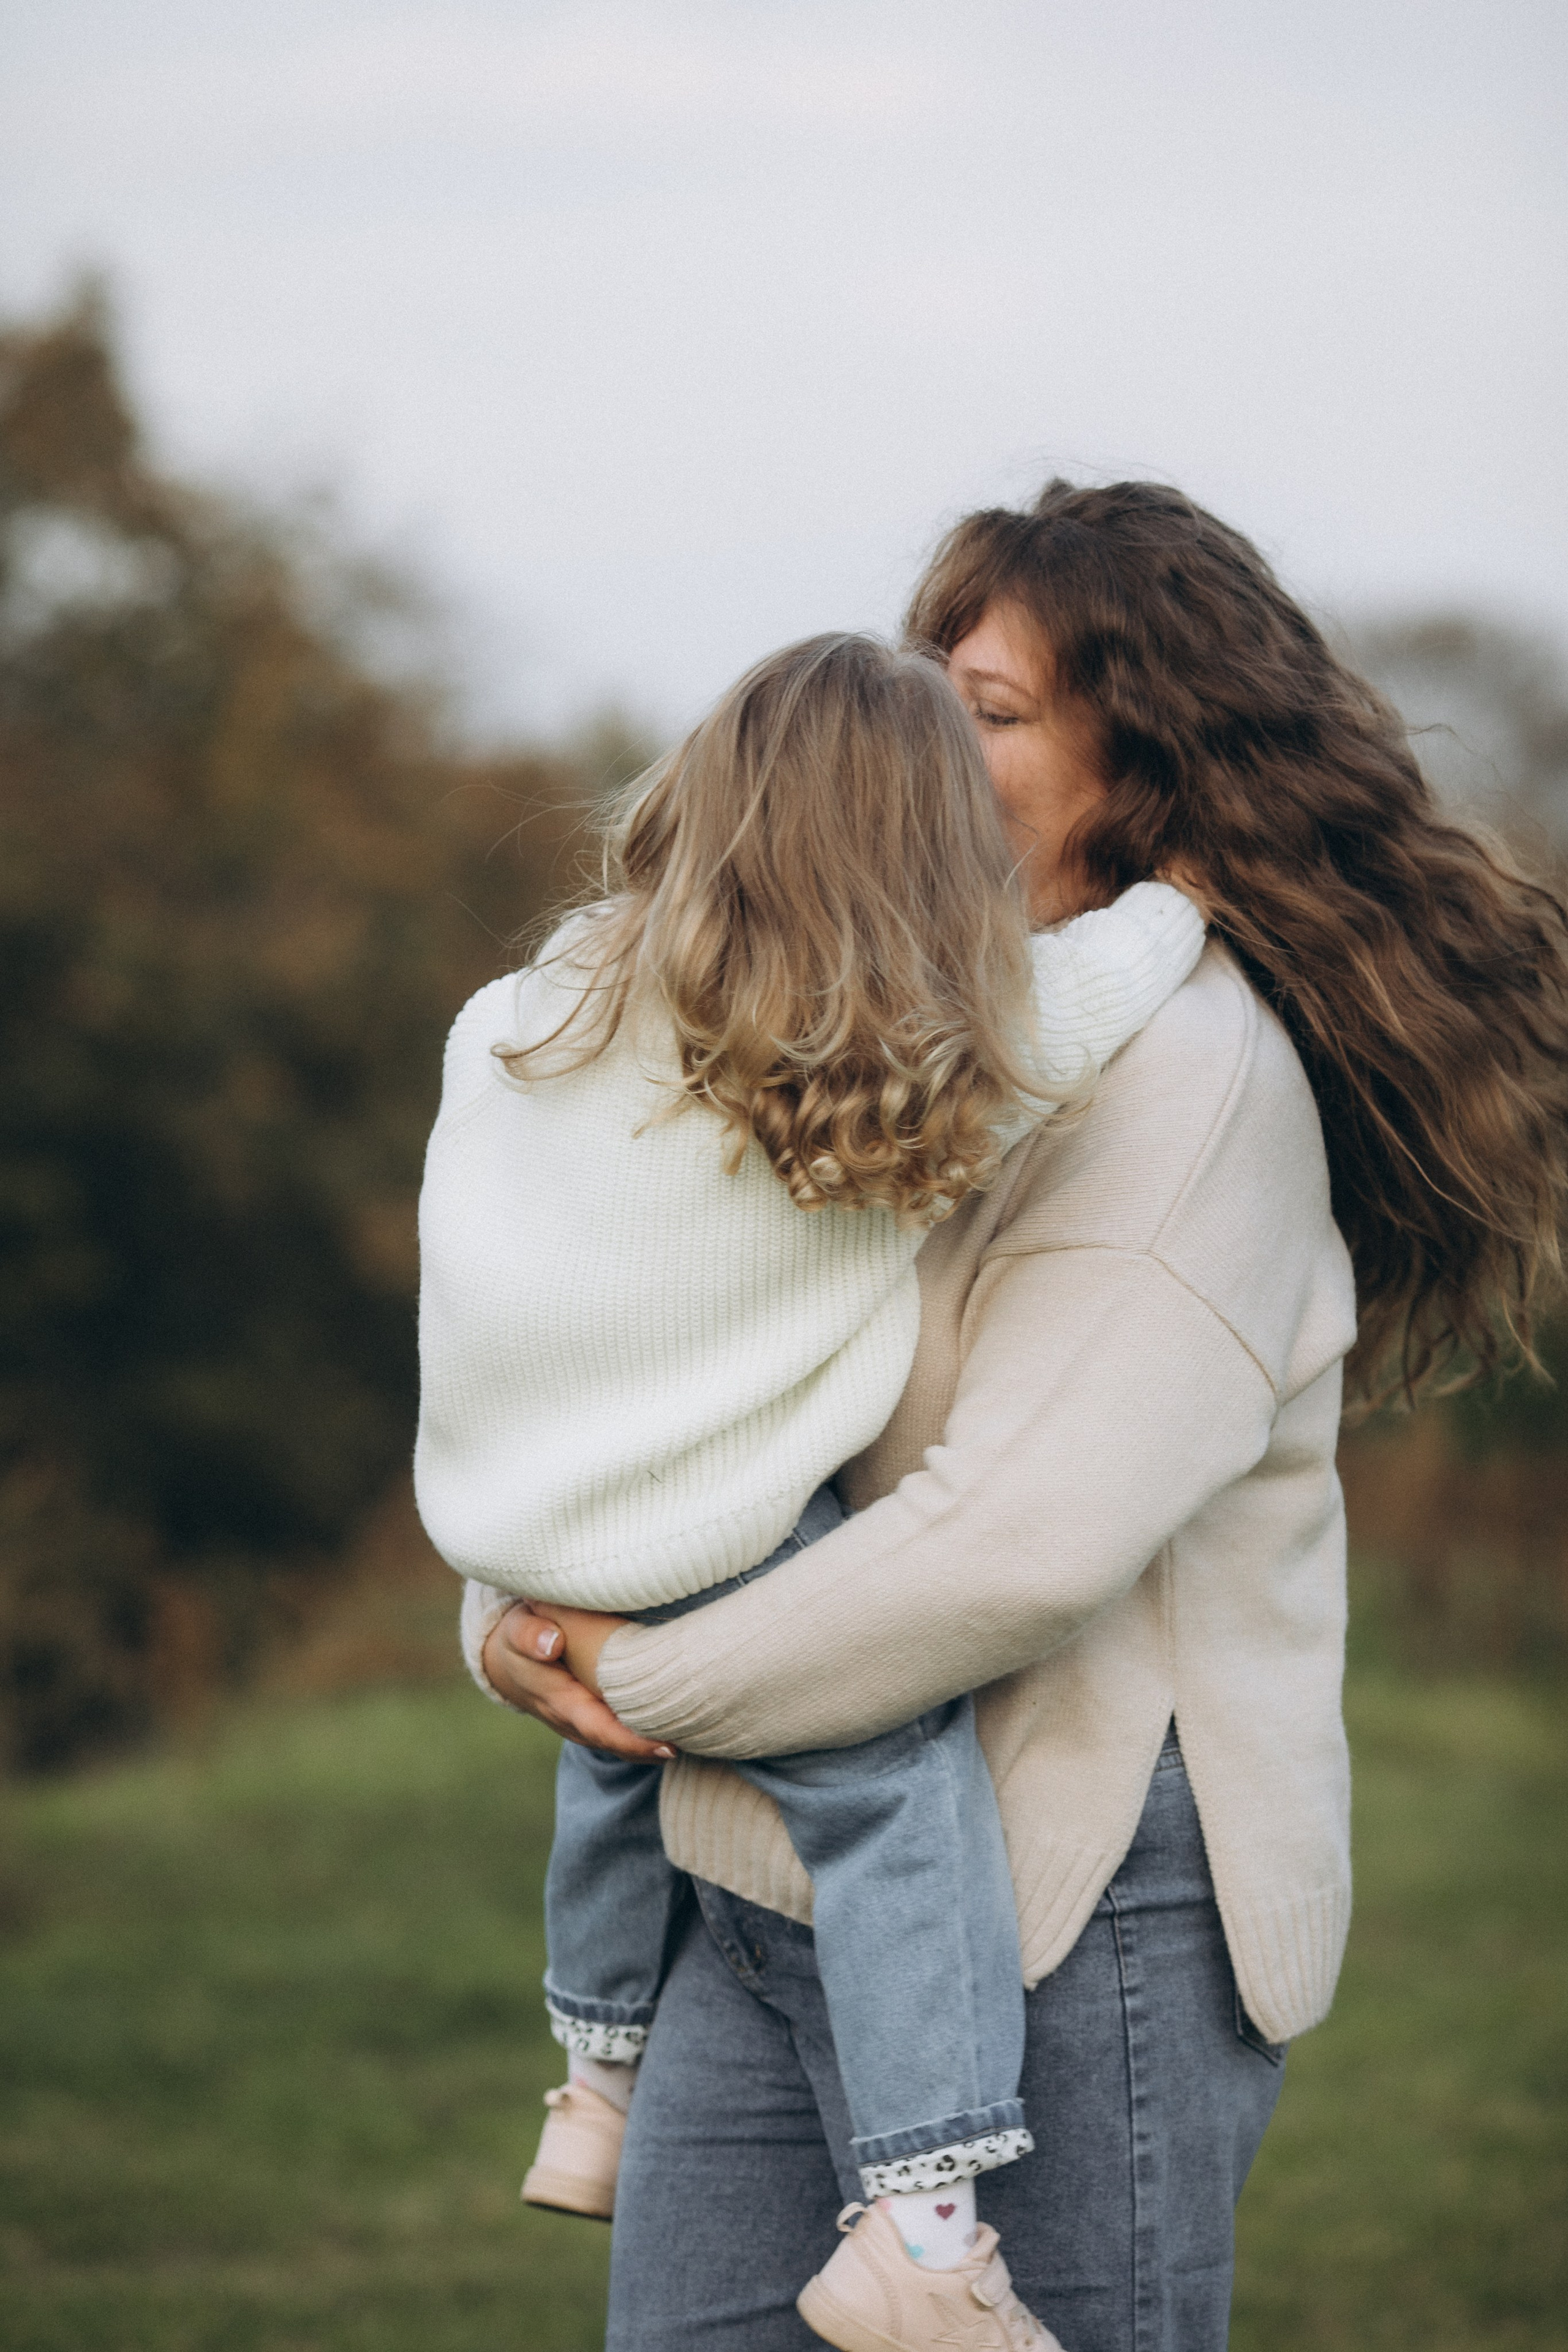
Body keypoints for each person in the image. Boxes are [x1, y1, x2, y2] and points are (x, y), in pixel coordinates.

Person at [475, 482, 1568, 2352]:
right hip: (766, 1855)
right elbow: (640, 1346)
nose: (917, 741)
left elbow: (1014, 1544)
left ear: (1139, 775)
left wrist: (628, 1673)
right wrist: (528, 1605)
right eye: (922, 688)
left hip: (1083, 1904)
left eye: (984, 712)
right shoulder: (868, 1024)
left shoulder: (1194, 1082)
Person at [417, 630, 1205, 2351]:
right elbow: (1093, 996)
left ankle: (596, 2082)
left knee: (612, 1775)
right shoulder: (876, 1058)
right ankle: (922, 2229)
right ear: (929, 853)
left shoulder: (531, 1018)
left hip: (529, 1523)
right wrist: (1181, 900)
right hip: (719, 1544)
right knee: (901, 1812)